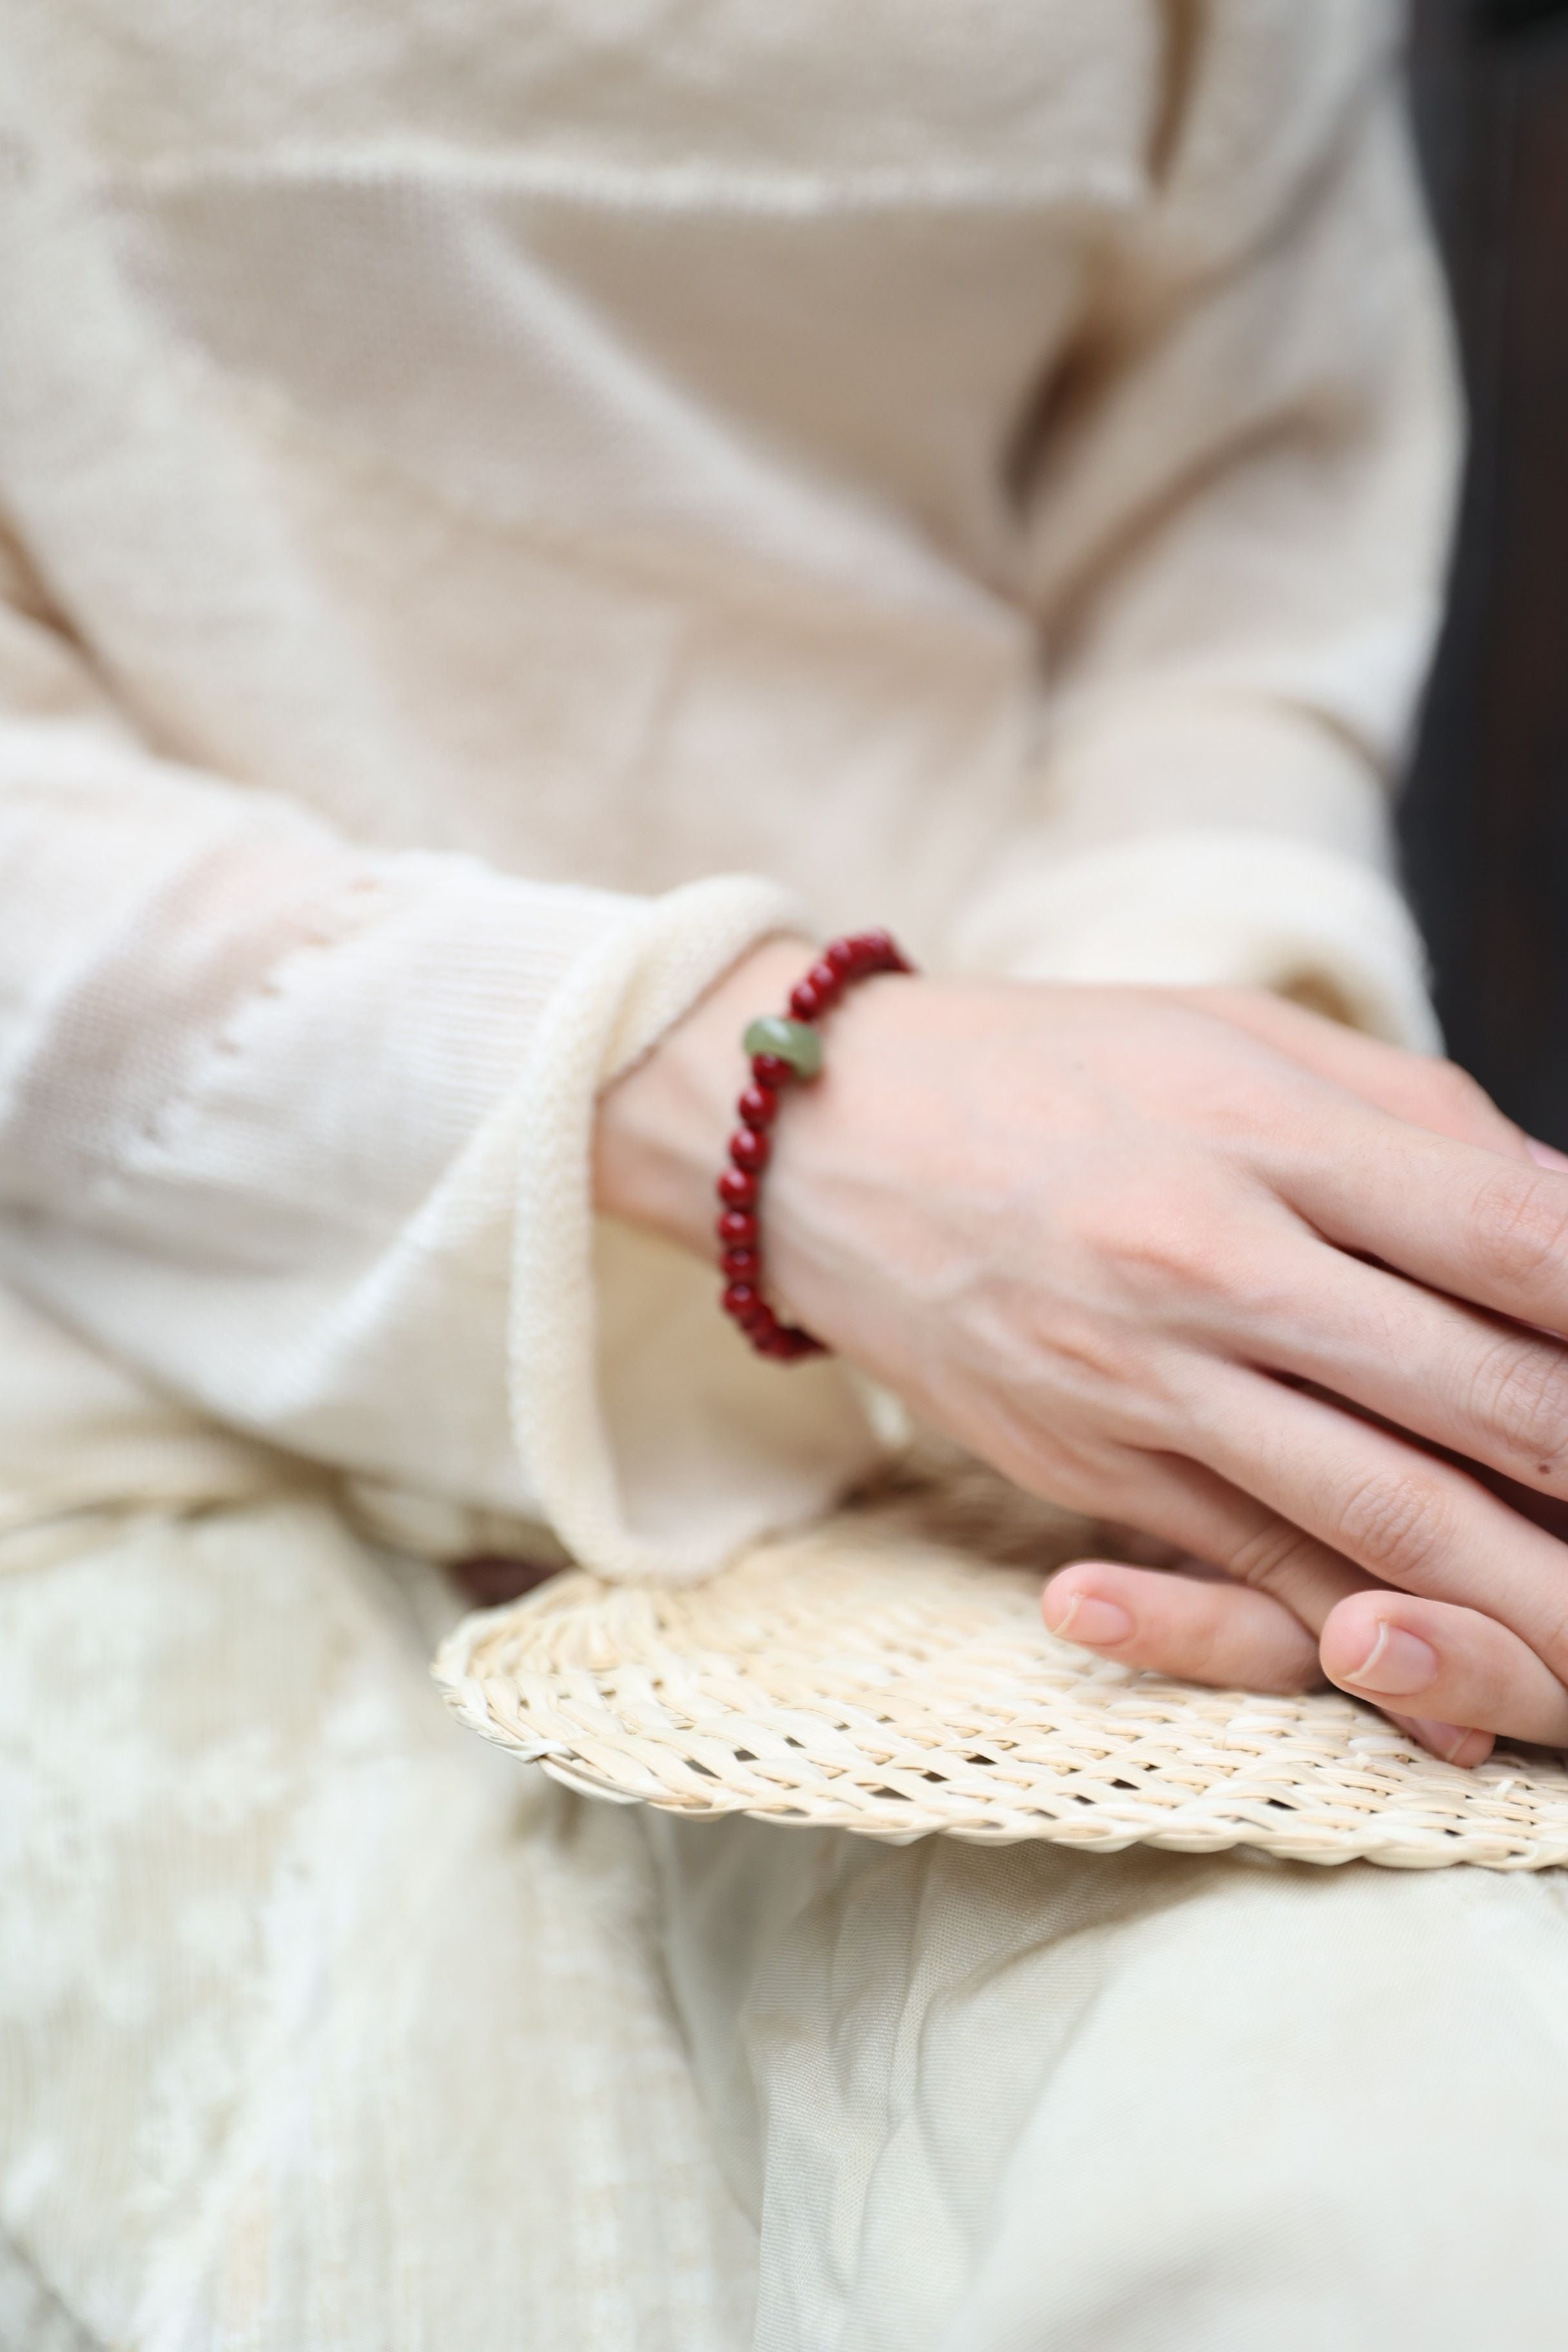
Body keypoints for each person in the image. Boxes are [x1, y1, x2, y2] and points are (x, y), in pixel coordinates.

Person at [3, 3, 1568, 2346]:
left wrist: (1201, 1276)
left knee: (1412, 2194)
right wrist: (780, 1117)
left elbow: (1226, 560)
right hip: (118, 1350)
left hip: (1016, 1418)